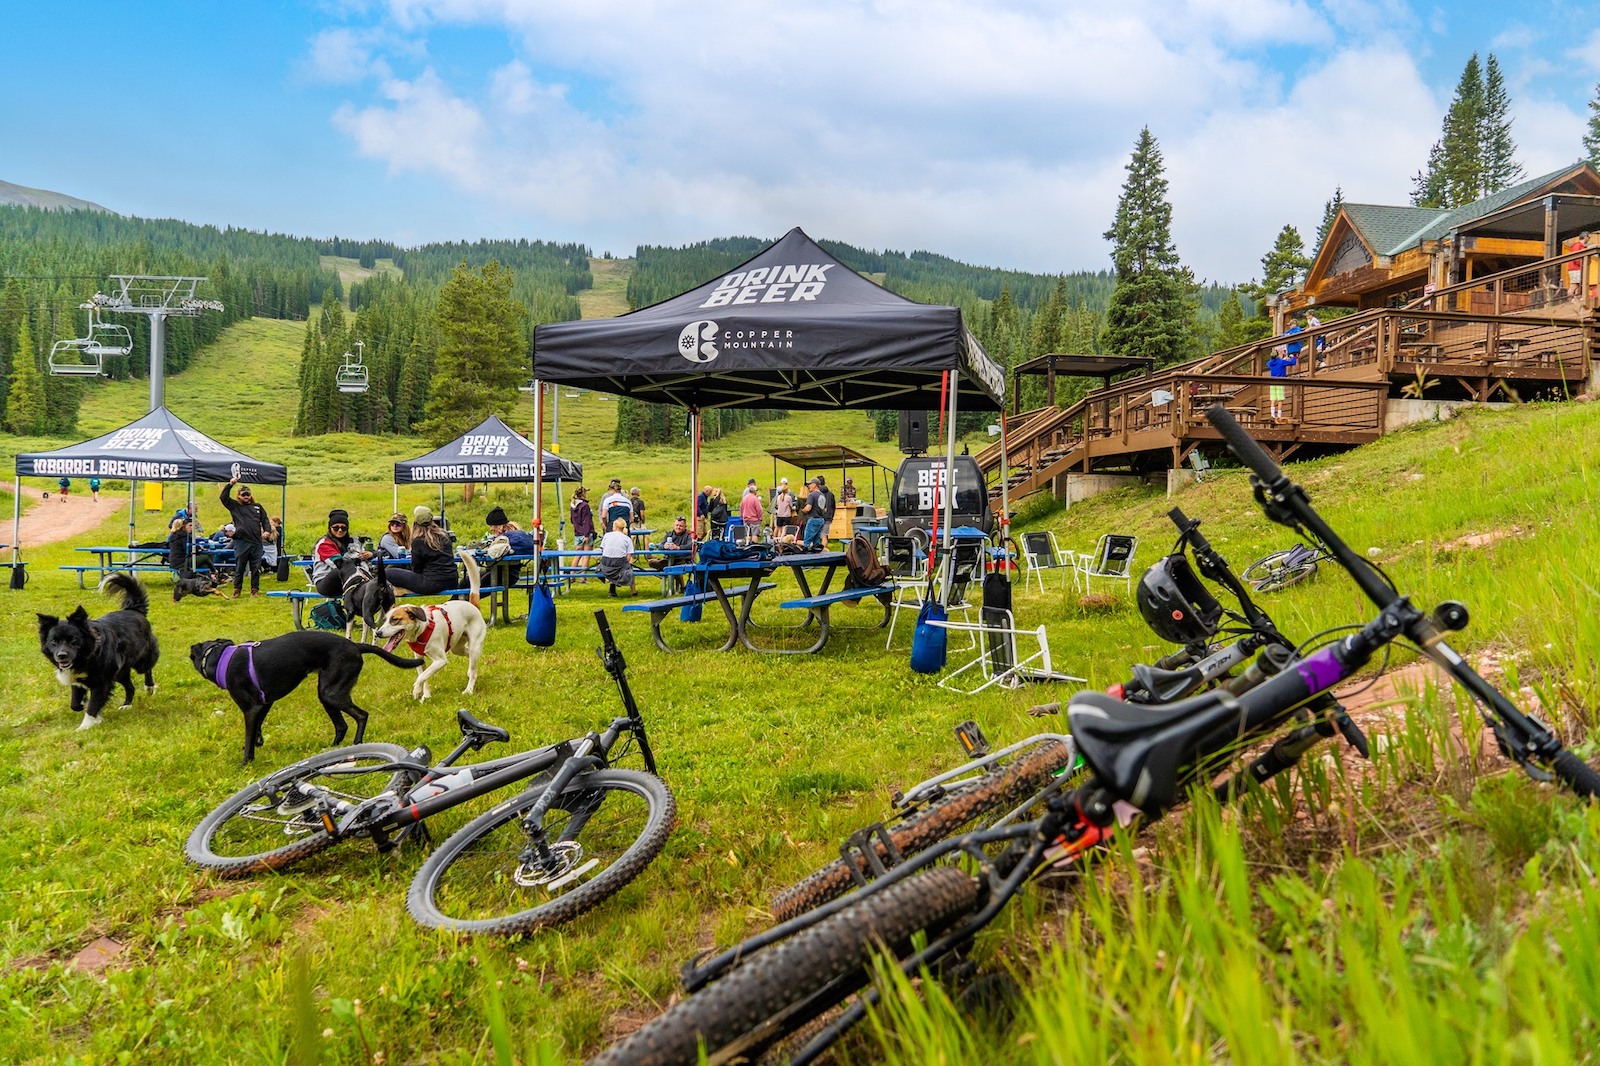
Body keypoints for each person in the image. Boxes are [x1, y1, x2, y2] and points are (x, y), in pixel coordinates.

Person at [387, 505, 460, 595]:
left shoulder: (418, 541)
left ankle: (400, 591)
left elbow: (416, 568)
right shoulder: (444, 536)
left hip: (431, 583)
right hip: (452, 580)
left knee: (387, 572)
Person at [220, 478, 274, 596]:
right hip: (241, 541)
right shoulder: (235, 506)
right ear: (238, 496)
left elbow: (265, 520)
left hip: (256, 541)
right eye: (243, 494)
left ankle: (254, 590)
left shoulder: (258, 507)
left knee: (256, 567)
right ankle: (237, 590)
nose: (246, 496)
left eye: (248, 494)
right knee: (240, 566)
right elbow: (223, 498)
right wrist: (230, 484)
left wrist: (267, 531)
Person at [310, 509, 373, 598]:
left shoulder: (353, 542)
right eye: (336, 527)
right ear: (330, 528)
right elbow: (339, 564)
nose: (340, 530)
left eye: (343, 528)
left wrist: (370, 554)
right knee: (341, 570)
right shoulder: (324, 544)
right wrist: (358, 559)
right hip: (325, 582)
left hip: (348, 579)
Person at [598, 517, 636, 596]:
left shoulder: (606, 535)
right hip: (618, 566)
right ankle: (633, 591)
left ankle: (612, 589)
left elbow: (603, 550)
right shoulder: (627, 539)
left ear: (615, 526)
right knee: (628, 567)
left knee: (617, 564)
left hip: (605, 566)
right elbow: (629, 557)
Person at [800, 477, 835, 551]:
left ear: (814, 485)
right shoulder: (822, 495)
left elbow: (808, 507)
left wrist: (803, 511)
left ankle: (805, 558)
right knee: (816, 542)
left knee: (807, 541)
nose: (808, 486)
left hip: (813, 519)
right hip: (821, 520)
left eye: (810, 484)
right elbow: (824, 510)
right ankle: (817, 556)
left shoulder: (812, 495)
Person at [1267, 344, 1299, 421]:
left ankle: (1272, 414)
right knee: (1280, 399)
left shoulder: (1270, 363)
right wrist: (1293, 356)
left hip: (1272, 382)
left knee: (1273, 399)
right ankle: (1279, 415)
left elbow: (1269, 363)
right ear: (1277, 356)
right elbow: (1293, 362)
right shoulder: (1281, 362)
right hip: (1280, 382)